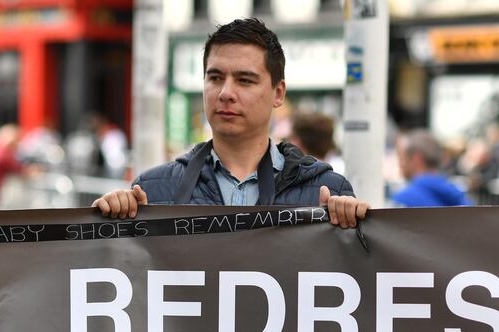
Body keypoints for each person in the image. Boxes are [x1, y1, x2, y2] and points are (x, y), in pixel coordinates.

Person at [93, 18, 367, 228]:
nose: (225, 93)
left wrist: (349, 231)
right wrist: (110, 222)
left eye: (244, 80)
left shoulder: (328, 191)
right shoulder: (152, 190)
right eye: (215, 78)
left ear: (278, 93)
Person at [392, 130, 471, 207]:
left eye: (402, 158)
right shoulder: (460, 196)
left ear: (417, 159)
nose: (400, 164)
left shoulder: (404, 200)